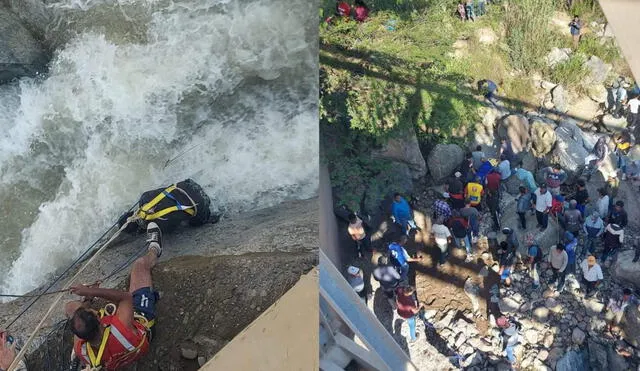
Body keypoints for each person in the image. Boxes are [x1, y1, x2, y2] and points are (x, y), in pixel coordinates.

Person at [66, 222, 162, 370]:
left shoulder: (81, 348)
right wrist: (91, 292)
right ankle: (155, 249)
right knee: (140, 265)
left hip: (112, 353)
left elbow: (71, 309)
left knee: (70, 307)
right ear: (99, 320)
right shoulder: (121, 327)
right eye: (93, 312)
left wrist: (87, 301)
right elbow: (125, 297)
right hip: (140, 324)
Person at [118, 179, 214, 234]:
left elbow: (175, 224)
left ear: (139, 229)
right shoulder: (144, 197)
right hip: (188, 183)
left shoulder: (160, 227)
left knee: (193, 223)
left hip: (201, 202)